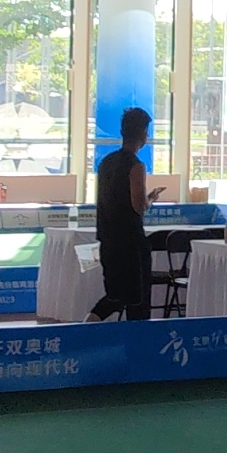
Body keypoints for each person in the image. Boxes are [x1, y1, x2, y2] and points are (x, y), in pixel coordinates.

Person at [91, 106, 152, 321]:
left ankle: (87, 326)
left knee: (114, 297)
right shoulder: (136, 166)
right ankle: (138, 339)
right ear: (143, 134)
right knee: (137, 300)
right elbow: (138, 205)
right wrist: (150, 200)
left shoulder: (106, 163)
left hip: (108, 239)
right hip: (130, 243)